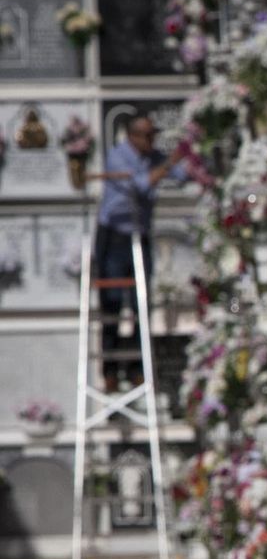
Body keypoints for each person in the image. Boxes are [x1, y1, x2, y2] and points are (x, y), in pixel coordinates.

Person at [87, 114, 190, 390]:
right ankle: (109, 370)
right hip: (114, 236)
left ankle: (135, 369)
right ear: (132, 136)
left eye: (153, 135)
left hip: (139, 235)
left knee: (139, 303)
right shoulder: (118, 157)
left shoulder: (154, 155)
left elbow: (182, 177)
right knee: (111, 303)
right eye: (146, 135)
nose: (151, 141)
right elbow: (141, 186)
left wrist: (187, 154)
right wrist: (169, 163)